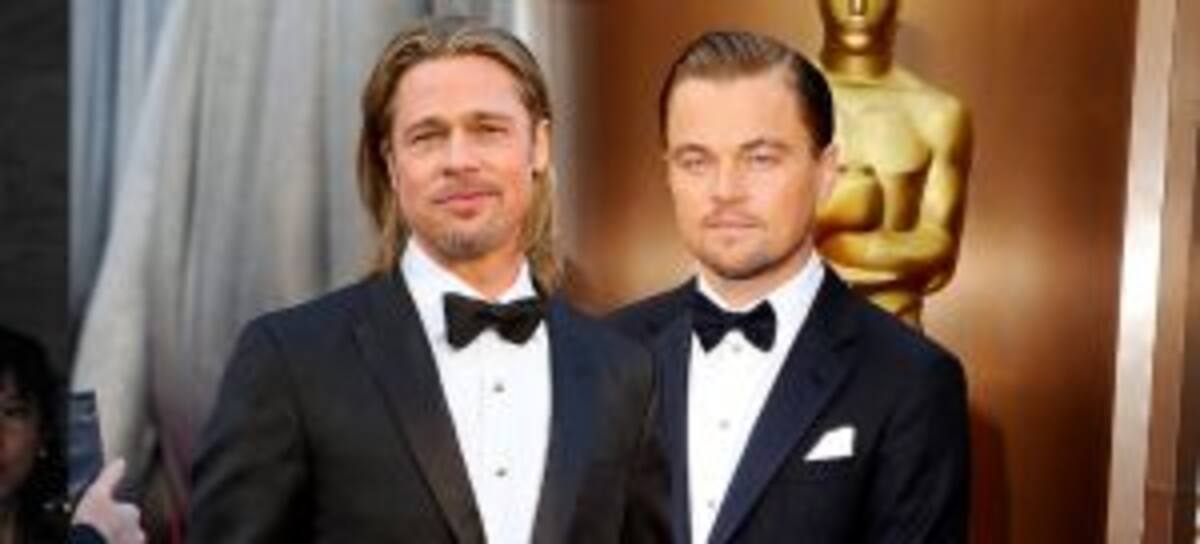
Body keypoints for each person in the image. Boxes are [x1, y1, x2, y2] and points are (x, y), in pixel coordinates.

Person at [189, 16, 668, 544]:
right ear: (392, 166)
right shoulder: (288, 361)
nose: (458, 161)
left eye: (488, 130)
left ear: (538, 146)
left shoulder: (624, 373)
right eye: (428, 136)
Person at [614, 30, 969, 542]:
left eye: (760, 158)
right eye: (696, 160)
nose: (725, 190)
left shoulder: (911, 380)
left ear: (825, 173)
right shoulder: (605, 358)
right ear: (668, 173)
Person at [813, 0, 973, 329]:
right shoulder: (774, 104)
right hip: (790, 335)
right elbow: (749, 237)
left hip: (894, 330)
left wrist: (845, 243)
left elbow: (940, 249)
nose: (857, 6)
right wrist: (837, 211)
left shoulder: (938, 114)